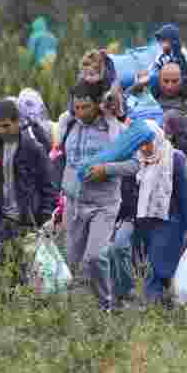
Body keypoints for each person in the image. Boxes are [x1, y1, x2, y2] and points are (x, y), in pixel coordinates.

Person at [61, 81, 141, 312]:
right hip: (74, 204)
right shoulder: (68, 125)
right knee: (74, 262)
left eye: (85, 107)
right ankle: (81, 310)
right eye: (76, 107)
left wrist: (106, 170)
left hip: (104, 205)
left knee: (95, 257)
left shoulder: (114, 129)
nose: (80, 112)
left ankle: (106, 304)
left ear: (98, 104)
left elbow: (135, 164)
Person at [0, 99, 57, 284]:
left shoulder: (34, 149)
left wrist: (43, 218)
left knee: (29, 276)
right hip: (0, 219)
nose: (2, 131)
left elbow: (48, 186)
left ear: (17, 122)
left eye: (6, 126)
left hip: (27, 221)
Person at [131, 119, 187, 306]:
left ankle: (152, 306)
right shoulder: (136, 160)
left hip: (170, 221)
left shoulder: (175, 158)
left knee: (158, 267)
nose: (145, 148)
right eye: (140, 144)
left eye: (148, 143)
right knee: (156, 266)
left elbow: (186, 193)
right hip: (145, 222)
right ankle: (166, 304)